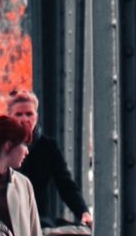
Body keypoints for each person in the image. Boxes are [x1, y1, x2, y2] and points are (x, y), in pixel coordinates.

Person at [5, 88, 90, 225]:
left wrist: (83, 212)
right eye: (18, 114)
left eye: (29, 114)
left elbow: (65, 184)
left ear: (36, 117)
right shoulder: (2, 145)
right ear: (9, 117)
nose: (24, 119)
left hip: (38, 220)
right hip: (7, 218)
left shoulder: (48, 147)